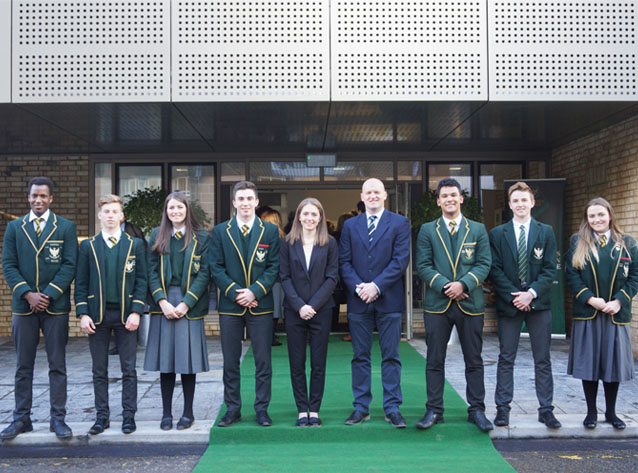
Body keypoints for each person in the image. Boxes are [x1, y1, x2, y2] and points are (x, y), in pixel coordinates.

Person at [1, 177, 78, 440]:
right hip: (24, 308)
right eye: (34, 196)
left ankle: (58, 419)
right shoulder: (14, 228)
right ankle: (21, 419)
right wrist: (28, 294)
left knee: (57, 365)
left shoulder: (65, 227)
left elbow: (70, 264)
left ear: (51, 199)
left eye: (43, 196)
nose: (38, 200)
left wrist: (48, 294)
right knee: (23, 366)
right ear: (28, 197)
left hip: (54, 306)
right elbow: (8, 265)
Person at [415, 177, 493, 432]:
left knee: (474, 359)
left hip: (470, 303)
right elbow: (423, 265)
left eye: (453, 195)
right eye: (444, 195)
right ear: (438, 201)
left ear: (461, 199)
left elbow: (484, 263)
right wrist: (448, 287)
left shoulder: (478, 229)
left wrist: (464, 285)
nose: (449, 199)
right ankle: (434, 410)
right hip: (437, 304)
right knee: (434, 360)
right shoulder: (428, 230)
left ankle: (477, 410)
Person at [488, 182, 561, 429]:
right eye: (515, 201)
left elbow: (550, 268)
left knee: (542, 359)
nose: (520, 204)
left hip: (538, 304)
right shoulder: (498, 233)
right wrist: (515, 297)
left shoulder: (546, 231)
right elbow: (494, 269)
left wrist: (530, 294)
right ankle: (502, 409)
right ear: (510, 205)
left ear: (532, 203)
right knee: (506, 357)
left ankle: (546, 409)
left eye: (524, 200)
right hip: (509, 304)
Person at [339, 178, 410, 428]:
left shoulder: (400, 223)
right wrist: (360, 287)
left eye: (376, 192)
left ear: (384, 195)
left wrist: (376, 286)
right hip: (359, 301)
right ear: (362, 195)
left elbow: (400, 261)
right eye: (368, 192)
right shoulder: (350, 225)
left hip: (389, 300)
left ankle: (392, 407)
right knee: (360, 357)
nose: (372, 196)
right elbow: (344, 262)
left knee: (391, 356)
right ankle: (361, 407)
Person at [210, 181, 280, 427]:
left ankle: (262, 409)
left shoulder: (270, 232)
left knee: (263, 361)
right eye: (241, 199)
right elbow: (215, 267)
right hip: (230, 305)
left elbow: (274, 267)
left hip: (260, 304)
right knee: (230, 361)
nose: (245, 203)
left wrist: (254, 292)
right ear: (234, 203)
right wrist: (234, 292)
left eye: (250, 198)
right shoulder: (220, 231)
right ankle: (233, 409)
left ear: (256, 202)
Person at [75, 194, 147, 435]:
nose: (110, 216)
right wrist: (82, 313)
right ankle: (101, 417)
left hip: (126, 315)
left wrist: (137, 310)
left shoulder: (134, 245)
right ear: (99, 215)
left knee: (129, 369)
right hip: (98, 316)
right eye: (106, 212)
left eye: (115, 212)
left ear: (122, 216)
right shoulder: (88, 246)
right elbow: (82, 282)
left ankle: (128, 416)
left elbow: (141, 281)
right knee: (99, 370)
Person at [565, 197, 638, 430]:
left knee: (612, 366)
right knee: (590, 365)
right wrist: (591, 299)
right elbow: (571, 276)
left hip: (615, 314)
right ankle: (590, 413)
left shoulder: (627, 243)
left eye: (601, 215)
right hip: (589, 313)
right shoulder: (578, 242)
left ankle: (611, 412)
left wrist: (619, 301)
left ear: (610, 215)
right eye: (592, 216)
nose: (597, 219)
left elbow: (635, 276)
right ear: (587, 219)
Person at [144, 192, 211, 431]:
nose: (175, 212)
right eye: (171, 208)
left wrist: (186, 303)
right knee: (167, 362)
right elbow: (150, 271)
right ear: (166, 211)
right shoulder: (156, 235)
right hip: (163, 303)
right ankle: (165, 414)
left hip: (188, 304)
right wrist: (162, 301)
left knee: (187, 362)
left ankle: (188, 413)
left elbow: (204, 273)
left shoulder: (202, 237)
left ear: (187, 210)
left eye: (179, 208)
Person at [280, 198, 339, 427]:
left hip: (322, 311)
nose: (310, 218)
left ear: (321, 218)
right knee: (296, 363)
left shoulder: (330, 243)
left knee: (318, 362)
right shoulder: (287, 243)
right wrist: (299, 306)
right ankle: (300, 410)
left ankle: (314, 409)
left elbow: (332, 277)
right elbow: (283, 277)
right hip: (295, 311)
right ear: (298, 217)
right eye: (305, 214)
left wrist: (313, 305)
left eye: (314, 214)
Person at [257, 206, 285, 347]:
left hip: (267, 279)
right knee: (275, 310)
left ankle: (269, 337)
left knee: (271, 310)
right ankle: (270, 337)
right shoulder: (282, 238)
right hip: (277, 279)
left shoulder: (266, 238)